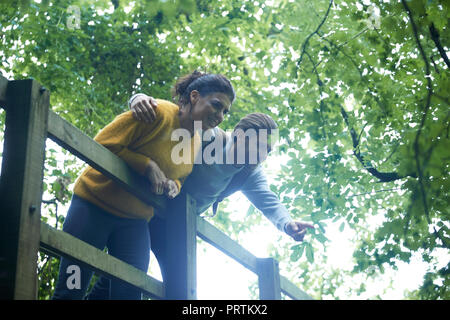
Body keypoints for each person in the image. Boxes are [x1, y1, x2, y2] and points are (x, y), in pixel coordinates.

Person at [52, 71, 235, 300]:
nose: (220, 116)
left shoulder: (197, 141)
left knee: (129, 293)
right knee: (71, 288)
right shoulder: (156, 112)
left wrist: (174, 186)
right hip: (92, 208)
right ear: (195, 96)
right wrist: (147, 166)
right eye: (216, 106)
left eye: (225, 112)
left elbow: (180, 175)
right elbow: (102, 142)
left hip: (134, 222)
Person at [130, 94, 315, 241]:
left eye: (267, 150)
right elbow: (175, 118)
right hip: (148, 203)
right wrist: (138, 98)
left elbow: (269, 202)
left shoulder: (249, 173)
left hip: (177, 225)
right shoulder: (209, 137)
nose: (263, 156)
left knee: (181, 287)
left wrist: (287, 224)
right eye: (259, 146)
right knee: (126, 270)